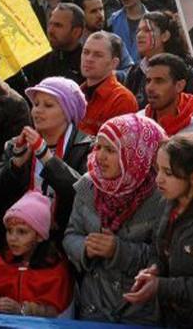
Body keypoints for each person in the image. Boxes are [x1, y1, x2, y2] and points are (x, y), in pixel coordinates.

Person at [124, 134, 193, 328]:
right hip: (170, 318)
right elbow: (158, 251)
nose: (158, 179)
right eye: (157, 170)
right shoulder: (166, 205)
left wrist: (161, 286)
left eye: (168, 173)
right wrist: (155, 269)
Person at [63, 114, 166, 324]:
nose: (100, 156)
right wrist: (86, 247)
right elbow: (70, 234)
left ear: (136, 155)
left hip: (137, 312)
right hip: (93, 306)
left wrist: (117, 250)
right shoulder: (88, 185)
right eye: (98, 147)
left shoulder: (160, 196)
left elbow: (165, 258)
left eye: (111, 150)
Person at [0, 77, 91, 249]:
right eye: (36, 104)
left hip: (64, 242)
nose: (37, 111)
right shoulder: (16, 144)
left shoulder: (87, 147)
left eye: (48, 105)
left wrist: (46, 157)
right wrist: (15, 165)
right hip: (16, 241)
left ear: (68, 112)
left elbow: (83, 196)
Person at [0, 191, 74, 317]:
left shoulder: (55, 268)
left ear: (40, 236)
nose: (12, 238)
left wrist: (23, 309)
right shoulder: (1, 261)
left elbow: (56, 311)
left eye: (22, 232)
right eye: (9, 231)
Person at [126, 11, 193, 109]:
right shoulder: (135, 73)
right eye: (138, 31)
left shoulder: (189, 75)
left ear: (165, 36)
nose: (139, 35)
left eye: (147, 30)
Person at [78, 31, 138, 136]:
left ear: (114, 63)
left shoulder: (122, 100)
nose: (89, 59)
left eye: (98, 55)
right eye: (86, 52)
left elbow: (116, 146)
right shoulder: (75, 93)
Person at [140, 53, 193, 136]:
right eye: (148, 81)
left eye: (159, 81)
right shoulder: (138, 122)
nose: (150, 88)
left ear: (179, 86)